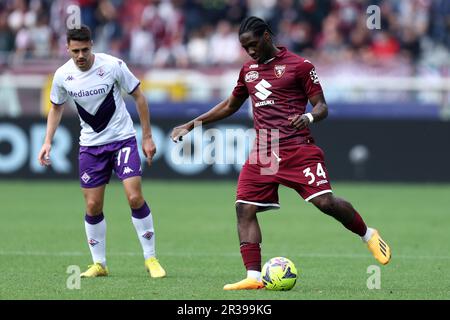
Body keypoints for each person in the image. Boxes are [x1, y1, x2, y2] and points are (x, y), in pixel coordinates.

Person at [170, 16, 391, 290]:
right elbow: (230, 105)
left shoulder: (300, 66)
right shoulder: (248, 71)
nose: (250, 52)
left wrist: (309, 118)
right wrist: (192, 124)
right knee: (244, 208)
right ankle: (253, 277)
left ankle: (368, 234)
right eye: (244, 48)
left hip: (298, 146)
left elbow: (321, 106)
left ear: (266, 36)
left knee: (326, 204)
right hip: (265, 148)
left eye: (252, 45)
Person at [38, 25, 166, 279]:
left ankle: (151, 258)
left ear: (92, 45)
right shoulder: (63, 75)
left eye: (85, 49)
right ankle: (99, 264)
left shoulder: (113, 65)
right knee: (93, 204)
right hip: (91, 146)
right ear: (67, 49)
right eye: (75, 51)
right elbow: (56, 108)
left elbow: (139, 97)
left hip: (122, 140)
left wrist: (147, 136)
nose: (81, 55)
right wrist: (47, 141)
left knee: (134, 197)